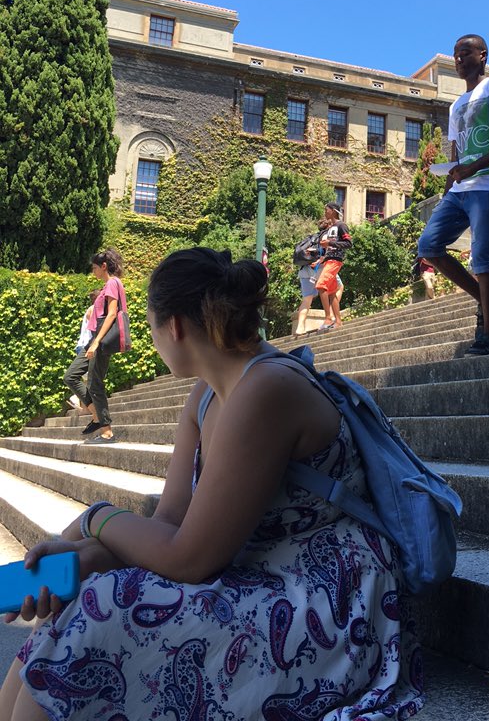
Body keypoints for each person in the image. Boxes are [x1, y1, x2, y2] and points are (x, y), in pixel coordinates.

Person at [0, 247, 423, 721]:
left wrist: (95, 518)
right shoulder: (205, 393)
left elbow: (190, 558)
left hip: (325, 600)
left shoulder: (266, 389)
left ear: (175, 326)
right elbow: (170, 523)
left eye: (151, 325)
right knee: (85, 597)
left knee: (101, 607)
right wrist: (90, 558)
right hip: (258, 570)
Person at [417, 34, 489, 355]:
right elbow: (456, 154)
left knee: (483, 257)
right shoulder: (455, 105)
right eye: (455, 55)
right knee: (429, 246)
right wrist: (449, 185)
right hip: (460, 190)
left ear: (483, 55)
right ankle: (487, 299)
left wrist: (473, 166)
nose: (459, 59)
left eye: (465, 53)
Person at [62, 249, 127, 444]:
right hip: (94, 340)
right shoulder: (108, 285)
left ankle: (107, 432)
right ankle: (96, 415)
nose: (93, 271)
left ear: (104, 266)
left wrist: (97, 341)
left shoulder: (113, 283)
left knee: (95, 383)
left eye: (95, 267)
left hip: (100, 340)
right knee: (71, 375)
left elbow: (112, 314)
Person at [315, 203, 352, 333]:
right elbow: (330, 248)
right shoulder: (331, 227)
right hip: (329, 260)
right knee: (331, 293)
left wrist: (329, 242)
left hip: (335, 261)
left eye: (327, 210)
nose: (325, 212)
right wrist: (321, 260)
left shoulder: (341, 225)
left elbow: (348, 243)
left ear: (333, 211)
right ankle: (338, 321)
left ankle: (328, 318)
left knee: (320, 286)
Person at [66, 291, 99, 411]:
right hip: (87, 346)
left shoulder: (92, 309)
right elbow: (95, 328)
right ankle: (77, 399)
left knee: (88, 377)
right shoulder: (93, 309)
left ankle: (86, 407)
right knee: (88, 378)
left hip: (86, 346)